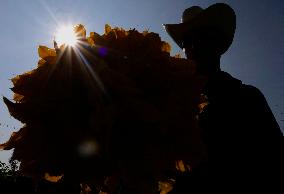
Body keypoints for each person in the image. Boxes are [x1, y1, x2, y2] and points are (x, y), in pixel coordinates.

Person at [164, 3, 284, 191]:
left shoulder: (248, 97)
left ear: (217, 44)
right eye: (187, 40)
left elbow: (276, 162)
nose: (194, 45)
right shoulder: (167, 97)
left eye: (203, 37)